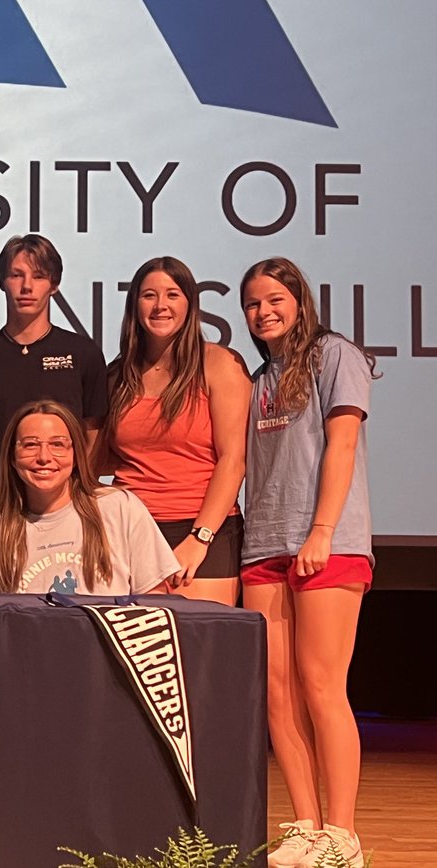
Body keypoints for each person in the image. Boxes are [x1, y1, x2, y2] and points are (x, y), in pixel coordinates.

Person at [239, 258, 376, 868]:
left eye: (274, 299)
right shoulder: (262, 377)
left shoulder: (334, 355)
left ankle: (341, 835)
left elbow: (342, 442)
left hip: (327, 542)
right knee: (277, 693)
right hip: (262, 546)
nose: (263, 311)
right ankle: (304, 823)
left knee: (323, 686)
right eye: (251, 303)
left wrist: (320, 530)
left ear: (300, 300)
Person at [101, 257, 251, 606]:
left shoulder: (220, 363)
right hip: (130, 530)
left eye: (173, 294)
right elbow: (103, 461)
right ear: (134, 305)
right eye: (149, 295)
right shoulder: (115, 377)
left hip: (203, 529)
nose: (160, 305)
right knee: (140, 652)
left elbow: (234, 460)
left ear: (190, 304)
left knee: (202, 649)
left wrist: (200, 538)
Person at [0, 400, 178, 595]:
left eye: (57, 445)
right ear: (12, 458)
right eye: (31, 445)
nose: (44, 457)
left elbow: (153, 596)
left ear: (75, 456)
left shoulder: (120, 507)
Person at [0, 234, 108, 512]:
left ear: (54, 285)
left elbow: (92, 435)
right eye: (16, 275)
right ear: (2, 281)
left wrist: (75, 487)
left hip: (66, 505)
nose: (26, 287)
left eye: (38, 276)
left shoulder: (83, 353)